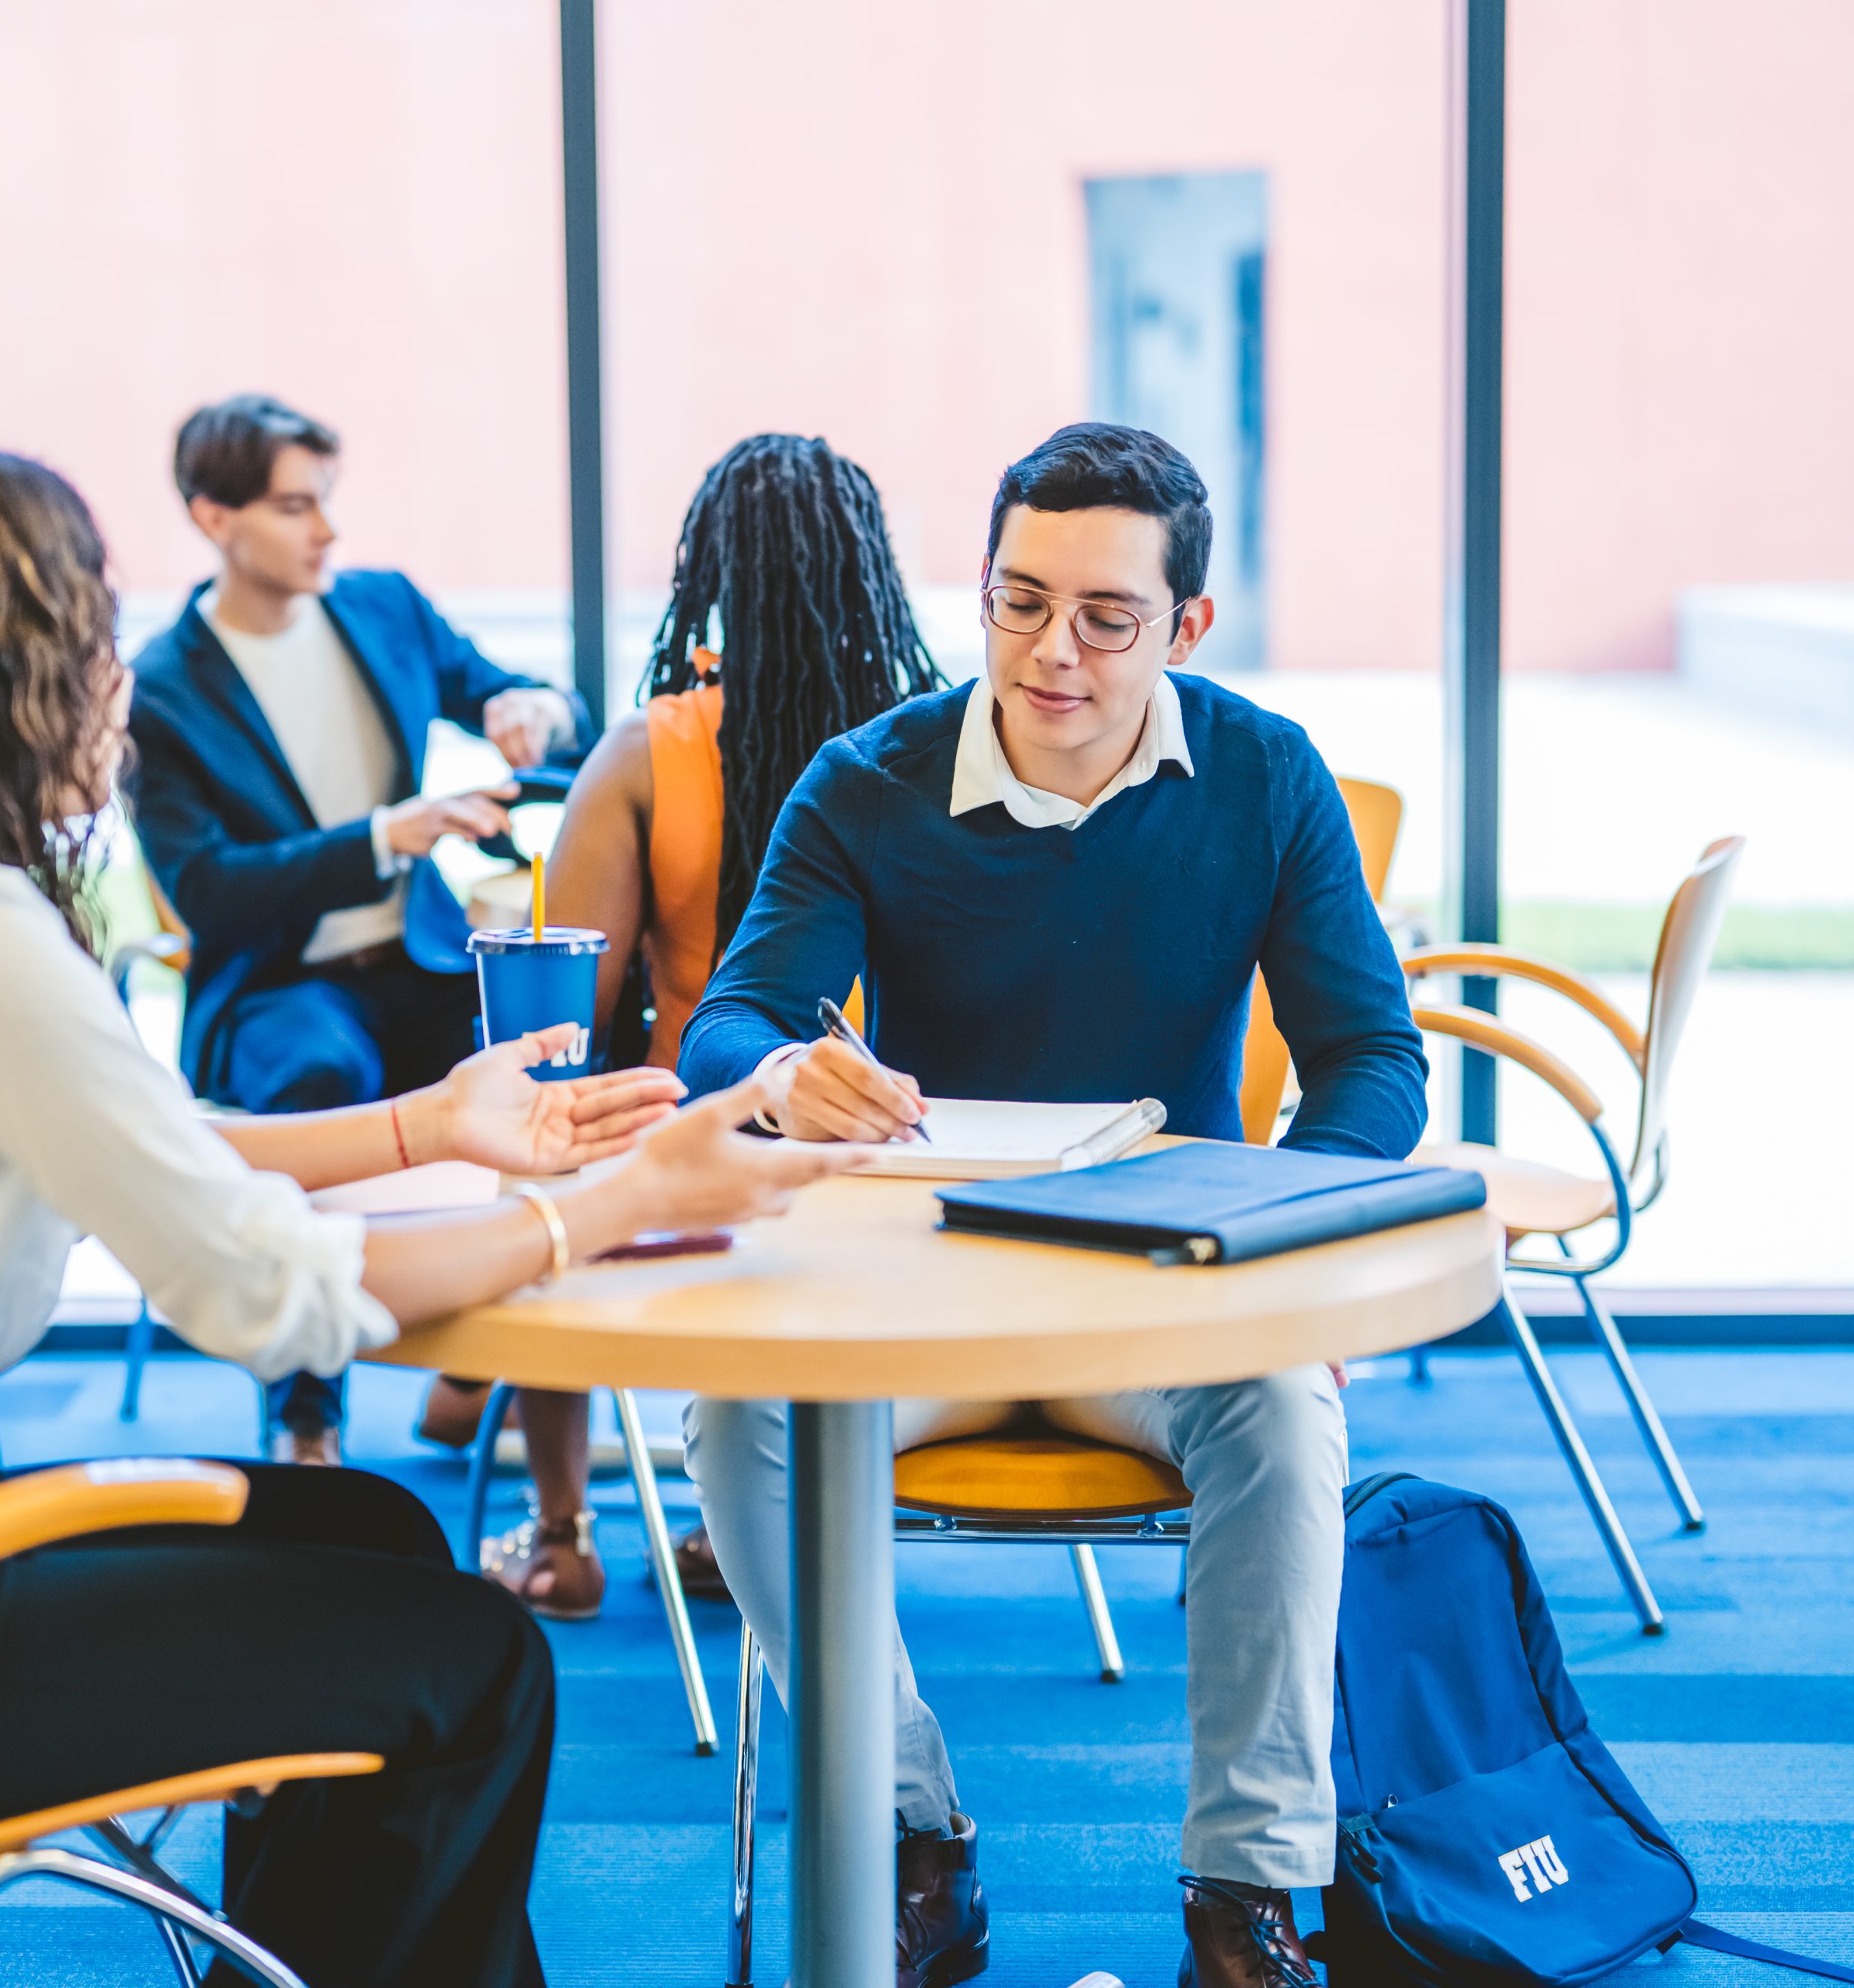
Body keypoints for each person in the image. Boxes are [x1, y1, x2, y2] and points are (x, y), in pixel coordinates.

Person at [0, 448, 868, 1988]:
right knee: (466, 1659)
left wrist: (431, 1119)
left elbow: (153, 1141)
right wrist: (621, 1201)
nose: (118, 690)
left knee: (379, 1529)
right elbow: (265, 1295)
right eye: (89, 641)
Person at [673, 423, 1429, 1988]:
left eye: (1105, 615)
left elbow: (1371, 1057)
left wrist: (1295, 1233)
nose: (1051, 652)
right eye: (1019, 602)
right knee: (736, 1408)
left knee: (1288, 1405)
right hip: (924, 1290)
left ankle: (1250, 1897)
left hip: (1167, 1295)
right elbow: (733, 1018)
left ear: (1186, 626)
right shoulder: (868, 780)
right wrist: (782, 1073)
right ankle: (910, 1839)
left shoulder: (1265, 774)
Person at [414, 434, 941, 1620]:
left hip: (694, 1148)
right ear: (871, 572)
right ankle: (736, 1513)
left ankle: (561, 1536)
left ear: (709, 575)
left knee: (547, 1157)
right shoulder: (930, 746)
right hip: (900, 1148)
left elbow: (568, 1022)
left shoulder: (652, 753)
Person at [127, 395, 587, 1464]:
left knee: (555, 1064)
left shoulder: (385, 610)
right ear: (213, 516)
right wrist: (385, 836)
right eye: (296, 507)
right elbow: (209, 892)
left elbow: (523, 695)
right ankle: (308, 1408)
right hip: (282, 982)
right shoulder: (161, 691)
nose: (326, 531)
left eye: (326, 502)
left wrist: (537, 711)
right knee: (320, 1075)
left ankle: (492, 1363)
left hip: (420, 962)